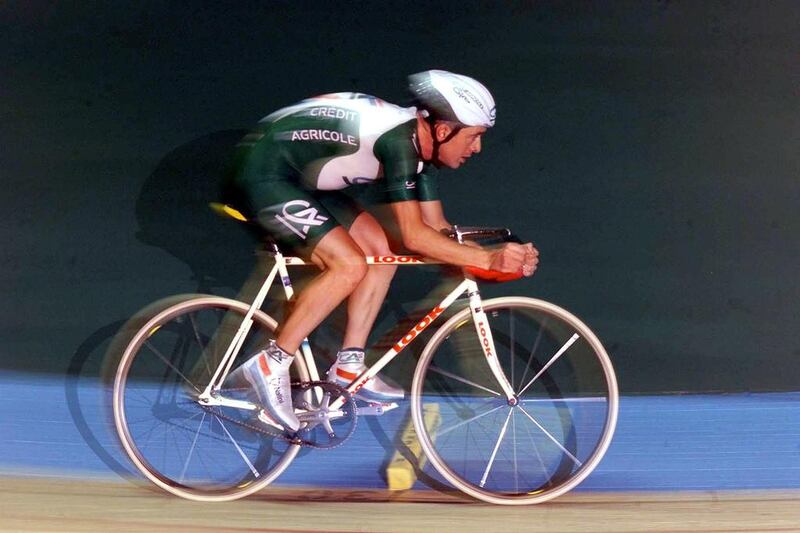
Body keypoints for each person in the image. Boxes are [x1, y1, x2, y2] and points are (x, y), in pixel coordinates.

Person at [225, 70, 539, 432]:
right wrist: (486, 258)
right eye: (475, 136)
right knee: (349, 264)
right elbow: (416, 236)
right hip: (263, 174)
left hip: (301, 179)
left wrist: (494, 255)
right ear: (442, 131)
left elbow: (436, 231)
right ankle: (271, 362)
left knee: (379, 250)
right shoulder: (398, 142)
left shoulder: (421, 153)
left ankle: (348, 368)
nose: (477, 148)